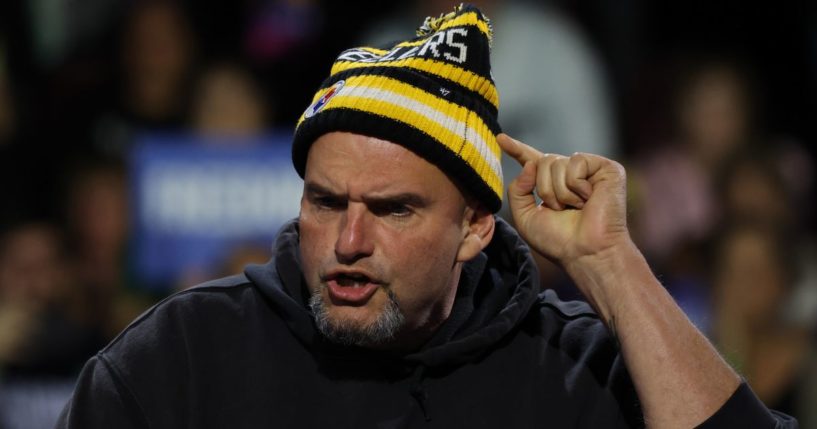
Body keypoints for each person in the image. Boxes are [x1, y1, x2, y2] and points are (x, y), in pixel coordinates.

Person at [57, 5, 796, 428]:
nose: (348, 242)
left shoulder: (577, 371)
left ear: (476, 225)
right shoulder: (185, 355)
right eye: (325, 201)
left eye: (393, 209)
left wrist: (609, 265)